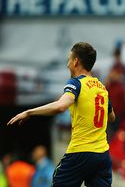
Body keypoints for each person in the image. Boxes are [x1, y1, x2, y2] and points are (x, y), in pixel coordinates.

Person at [7, 42, 116, 187]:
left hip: (80, 152)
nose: (67, 64)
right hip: (102, 155)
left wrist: (29, 112)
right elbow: (111, 117)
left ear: (76, 61)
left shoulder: (76, 83)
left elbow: (61, 106)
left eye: (69, 59)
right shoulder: (102, 88)